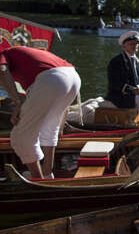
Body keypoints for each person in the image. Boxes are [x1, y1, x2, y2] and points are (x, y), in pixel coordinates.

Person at [0, 46, 81, 179]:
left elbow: (2, 71)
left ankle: (37, 179)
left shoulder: (3, 54)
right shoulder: (29, 52)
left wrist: (18, 102)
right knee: (50, 129)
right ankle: (47, 174)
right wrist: (60, 118)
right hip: (73, 78)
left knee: (20, 136)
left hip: (52, 80)